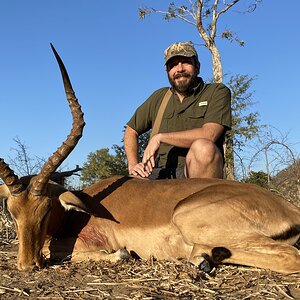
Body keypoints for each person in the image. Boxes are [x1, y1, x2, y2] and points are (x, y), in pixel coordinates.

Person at [124, 41, 231, 179]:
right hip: (158, 174)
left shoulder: (216, 92)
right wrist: (133, 165)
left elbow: (209, 134)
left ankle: (204, 200)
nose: (179, 69)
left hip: (194, 174)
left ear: (197, 67)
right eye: (173, 65)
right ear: (167, 72)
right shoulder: (159, 97)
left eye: (186, 62)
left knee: (204, 148)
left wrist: (160, 138)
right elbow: (131, 130)